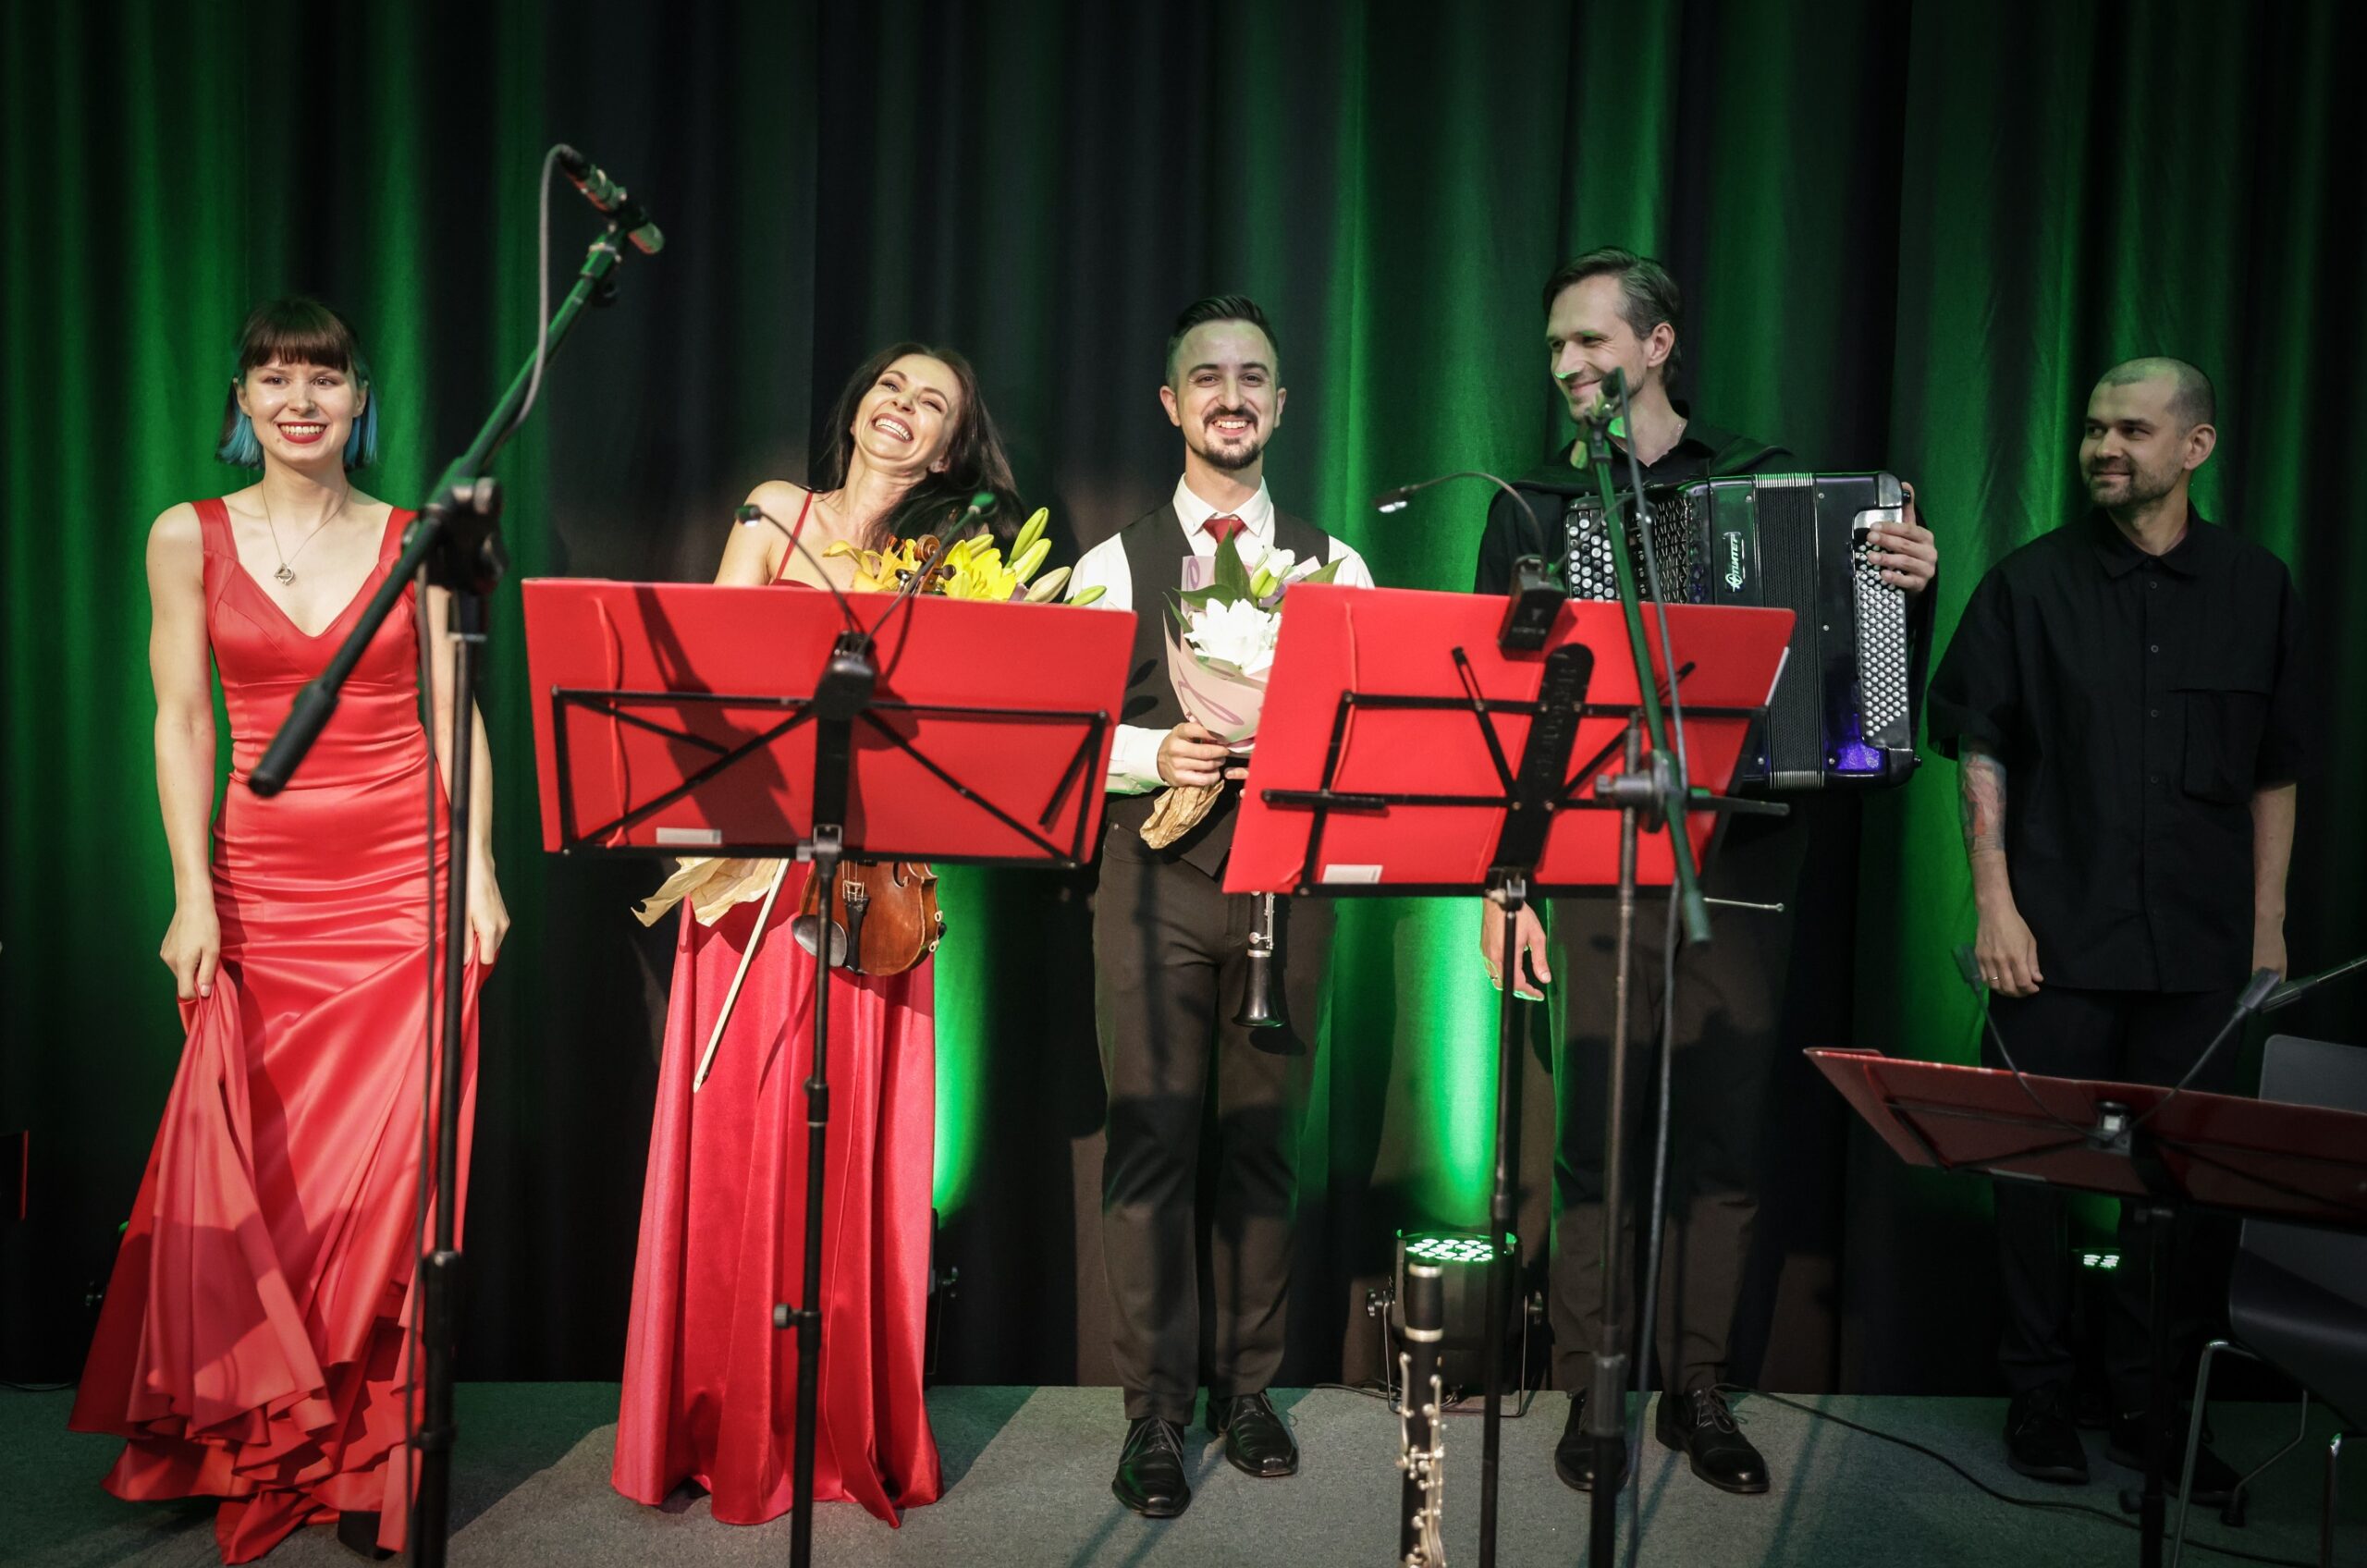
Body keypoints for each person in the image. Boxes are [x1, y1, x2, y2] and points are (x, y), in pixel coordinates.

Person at [1473, 249, 1937, 1497]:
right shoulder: (1534, 505)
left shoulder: (1764, 480)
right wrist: (1506, 885)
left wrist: (1902, 596)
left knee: (1725, 1136)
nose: (1567, 365)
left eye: (1590, 341)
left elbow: (1856, 677)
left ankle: (1700, 1383)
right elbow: (1502, 714)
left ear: (1658, 343)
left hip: (1746, 849)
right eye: (1555, 346)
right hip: (1592, 854)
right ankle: (1592, 1391)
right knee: (1595, 1140)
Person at [70, 296, 509, 1562]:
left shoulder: (417, 535)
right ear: (242, 401)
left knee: (388, 1178)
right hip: (261, 885)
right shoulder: (184, 534)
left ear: (359, 400)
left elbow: (453, 705)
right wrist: (190, 892)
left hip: (405, 882)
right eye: (273, 377)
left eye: (322, 377)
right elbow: (181, 721)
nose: (298, 399)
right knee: (257, 1170)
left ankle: (369, 1455)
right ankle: (249, 1433)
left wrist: (480, 869)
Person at [612, 342, 1019, 1526]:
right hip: (755, 871)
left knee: (842, 1150)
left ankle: (837, 1413)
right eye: (891, 386)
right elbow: (709, 689)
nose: (901, 408)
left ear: (946, 450)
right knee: (742, 1133)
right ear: (857, 405)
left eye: (931, 404)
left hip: (870, 888)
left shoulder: (953, 561)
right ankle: (715, 1409)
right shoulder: (773, 512)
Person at [1927, 357, 2304, 1499]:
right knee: (2029, 1177)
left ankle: (2154, 1408)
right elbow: (1979, 746)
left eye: (2132, 430)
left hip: (2200, 947)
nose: (2103, 447)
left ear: (2195, 447)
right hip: (2052, 939)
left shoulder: (2257, 584)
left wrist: (2267, 925)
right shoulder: (2028, 583)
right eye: (2094, 428)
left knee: (2180, 1189)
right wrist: (1993, 904)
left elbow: (2276, 767)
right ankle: (2039, 1393)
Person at [1069, 295, 1374, 1519]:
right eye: (1208, 376)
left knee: (1263, 1147)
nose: (1230, 395)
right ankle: (1155, 1409)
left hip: (1288, 888)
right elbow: (1062, 734)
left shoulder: (1339, 566)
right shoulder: (1109, 566)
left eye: (1253, 376)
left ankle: (1248, 1390)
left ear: (1282, 406)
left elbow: (1373, 729)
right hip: (1148, 885)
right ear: (1171, 402)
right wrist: (1155, 753)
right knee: (1148, 1144)